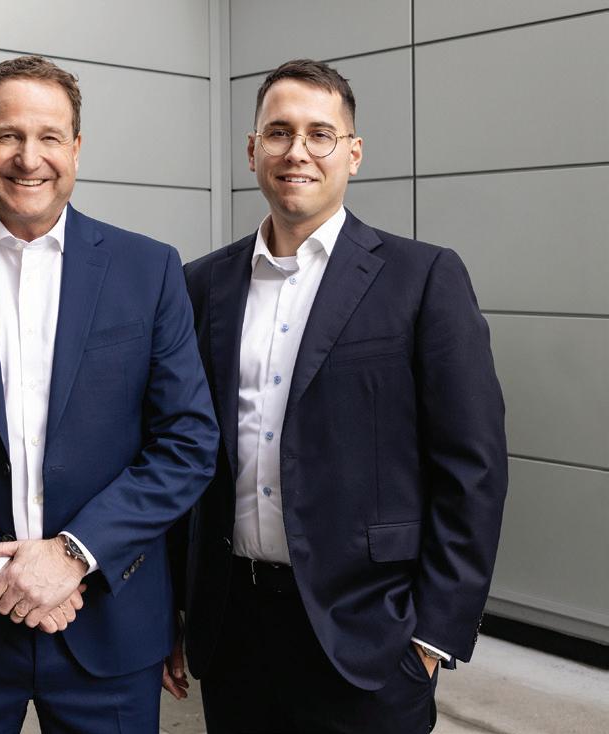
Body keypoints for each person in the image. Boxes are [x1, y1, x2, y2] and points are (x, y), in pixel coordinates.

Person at [0, 55, 218, 733]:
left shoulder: (148, 270)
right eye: (7, 135)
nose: (29, 158)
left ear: (76, 148)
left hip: (108, 623)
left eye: (50, 136)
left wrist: (74, 554)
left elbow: (188, 443)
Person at [168, 59, 508, 733]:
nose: (297, 151)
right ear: (252, 150)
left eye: (320, 134)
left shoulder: (422, 278)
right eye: (279, 132)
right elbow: (184, 458)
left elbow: (473, 468)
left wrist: (431, 636)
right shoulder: (199, 285)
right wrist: (176, 610)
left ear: (353, 153)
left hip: (372, 636)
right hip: (233, 631)